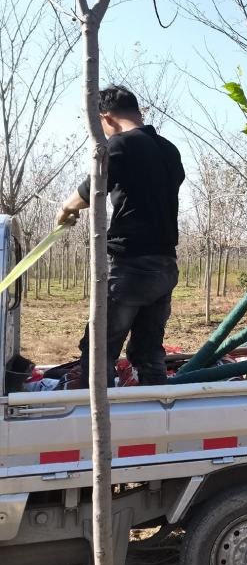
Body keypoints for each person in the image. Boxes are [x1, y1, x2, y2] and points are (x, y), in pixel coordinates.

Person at [58, 86, 185, 387]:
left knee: (99, 351)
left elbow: (94, 186)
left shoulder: (121, 145)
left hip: (130, 265)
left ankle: (97, 420)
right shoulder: (169, 149)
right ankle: (155, 416)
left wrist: (66, 208)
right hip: (165, 265)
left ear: (106, 118)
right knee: (148, 352)